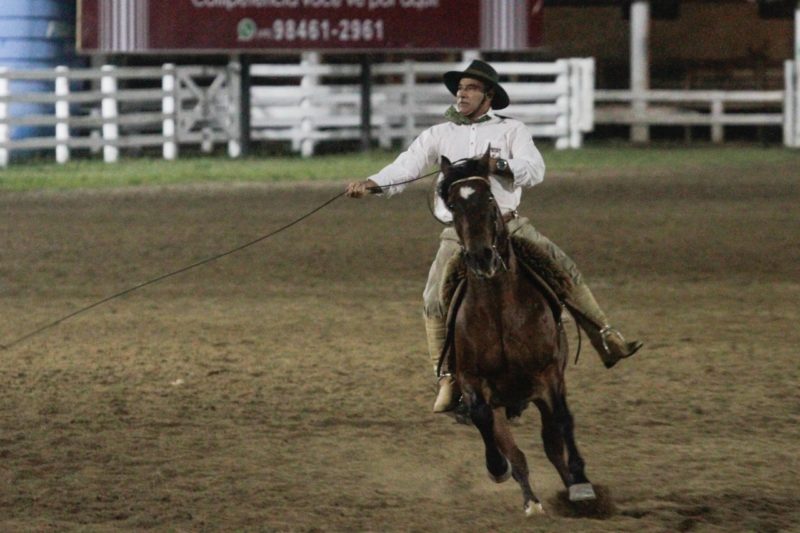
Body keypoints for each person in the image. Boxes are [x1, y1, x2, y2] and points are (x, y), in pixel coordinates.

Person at [346, 60, 642, 413]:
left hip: (509, 223)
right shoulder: (439, 134)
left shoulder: (512, 131)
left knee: (564, 268)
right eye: (460, 88)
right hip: (461, 233)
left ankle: (606, 337)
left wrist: (499, 166)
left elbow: (535, 170)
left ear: (488, 96)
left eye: (470, 88)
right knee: (432, 296)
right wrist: (373, 183)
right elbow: (405, 166)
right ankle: (446, 377)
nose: (462, 93)